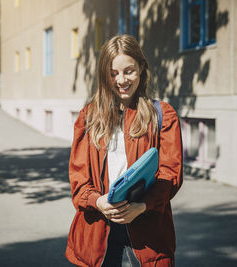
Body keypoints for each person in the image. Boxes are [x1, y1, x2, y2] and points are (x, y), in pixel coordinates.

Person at [65, 34, 183, 267]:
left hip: (147, 236)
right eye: (113, 73)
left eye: (128, 71)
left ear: (141, 68)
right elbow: (78, 179)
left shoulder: (163, 115)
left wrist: (142, 206)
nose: (121, 80)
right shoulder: (88, 117)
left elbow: (171, 174)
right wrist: (98, 201)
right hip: (96, 237)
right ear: (104, 76)